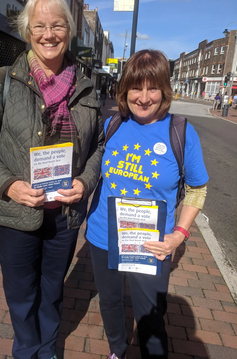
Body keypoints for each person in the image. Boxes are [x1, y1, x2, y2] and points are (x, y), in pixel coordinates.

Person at [0, 0, 104, 359]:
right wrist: (8, 186)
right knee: (22, 292)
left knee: (53, 289)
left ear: (69, 30)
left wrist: (85, 182)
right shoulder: (3, 81)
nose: (49, 34)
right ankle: (26, 350)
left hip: (65, 214)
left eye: (57, 25)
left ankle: (48, 350)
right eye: (39, 26)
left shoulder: (89, 89)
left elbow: (100, 147)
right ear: (27, 31)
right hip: (15, 212)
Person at [86, 49, 208, 359]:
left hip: (152, 243)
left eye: (152, 87)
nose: (143, 97)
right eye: (135, 87)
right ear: (123, 89)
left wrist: (178, 235)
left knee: (151, 315)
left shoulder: (180, 131)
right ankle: (117, 351)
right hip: (103, 236)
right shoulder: (111, 125)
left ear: (165, 90)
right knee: (110, 302)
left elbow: (197, 189)